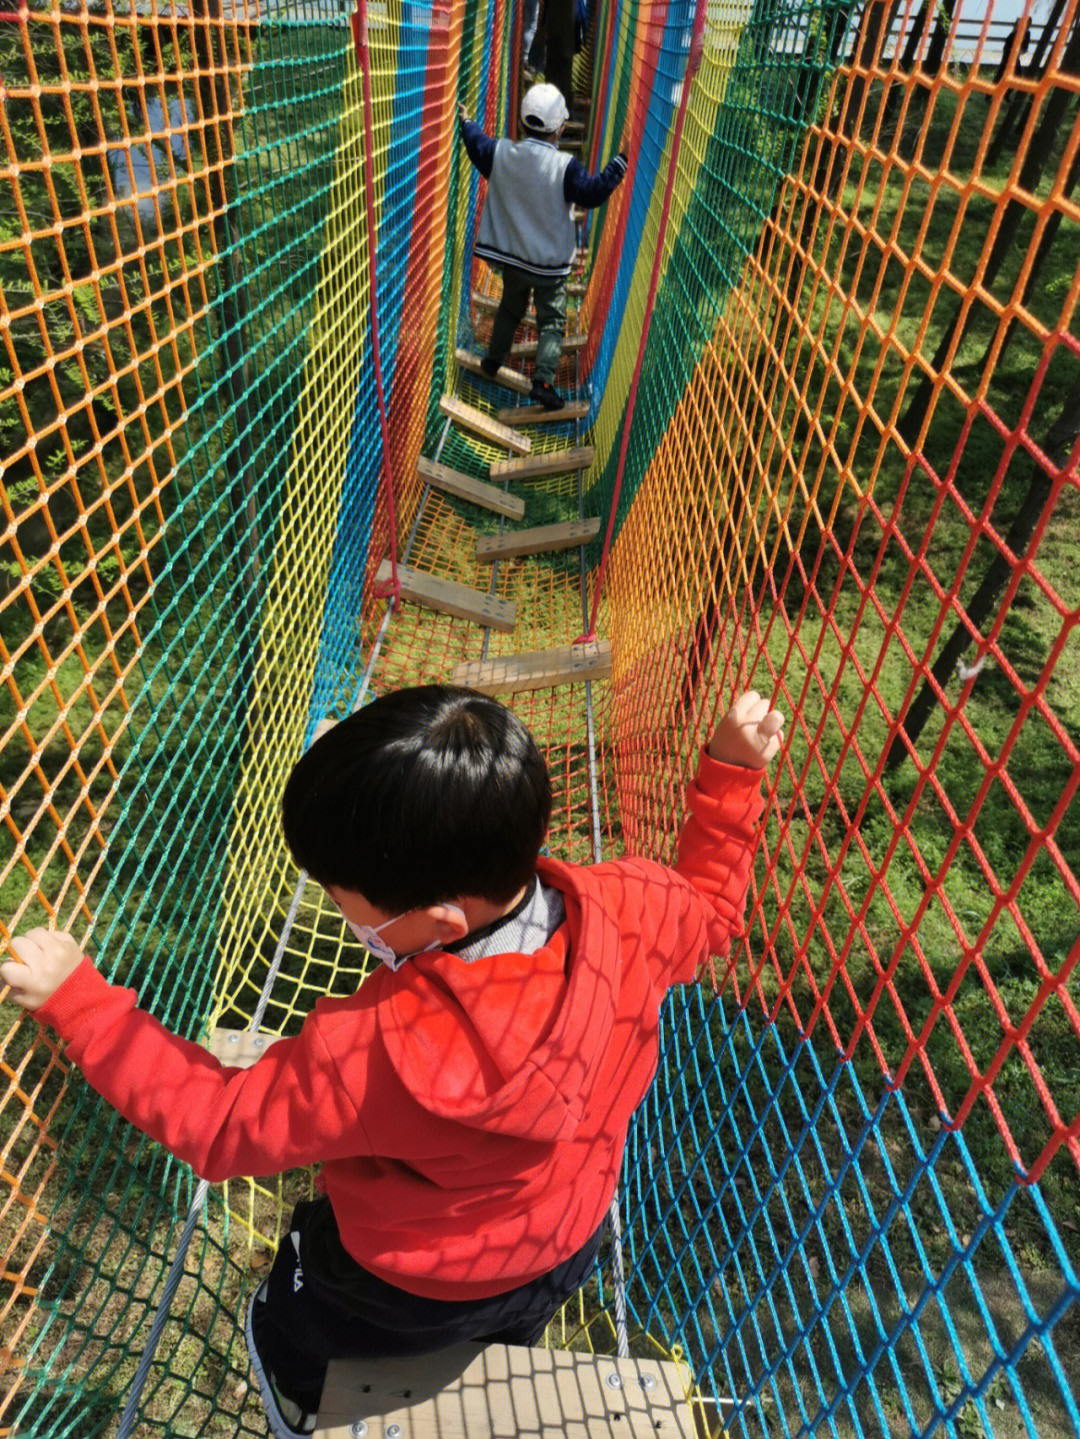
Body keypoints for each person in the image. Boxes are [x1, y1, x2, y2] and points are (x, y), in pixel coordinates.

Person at [2, 685, 784, 1439]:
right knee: (504, 1321)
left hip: (401, 1289)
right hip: (561, 1247)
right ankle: (495, 1352)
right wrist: (730, 774)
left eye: (346, 903)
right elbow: (712, 909)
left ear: (439, 920)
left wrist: (84, 1003)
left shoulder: (376, 1047)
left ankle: (297, 1398)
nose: (344, 918)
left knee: (291, 1309)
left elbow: (220, 1126)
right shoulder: (634, 911)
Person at [459, 84, 628, 410]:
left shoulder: (501, 153)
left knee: (510, 310)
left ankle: (492, 360)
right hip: (550, 268)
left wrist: (467, 123)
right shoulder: (566, 167)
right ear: (561, 129)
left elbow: (476, 145)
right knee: (551, 322)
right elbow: (593, 193)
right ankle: (544, 382)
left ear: (521, 124)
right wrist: (619, 161)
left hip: (513, 261)